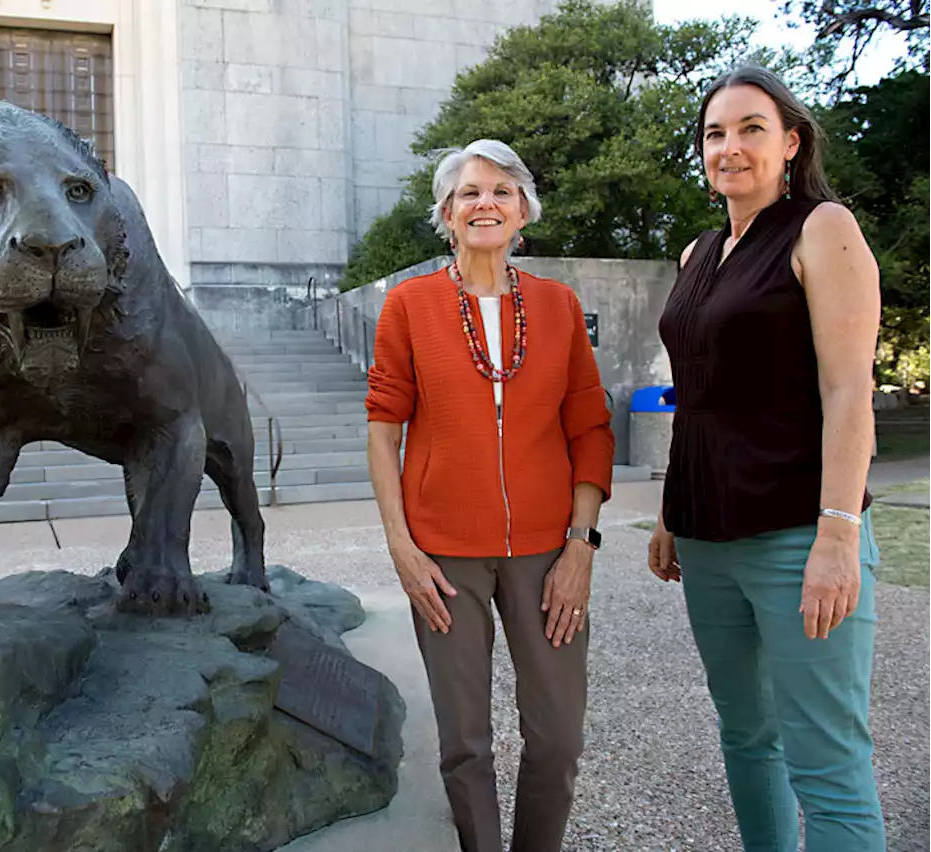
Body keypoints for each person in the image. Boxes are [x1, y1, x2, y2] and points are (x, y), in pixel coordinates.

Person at [649, 64, 886, 851]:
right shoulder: (697, 253)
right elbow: (697, 396)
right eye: (716, 133)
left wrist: (839, 534)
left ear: (790, 142)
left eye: (752, 129)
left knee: (827, 761)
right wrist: (665, 516)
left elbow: (851, 391)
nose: (731, 147)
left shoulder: (823, 228)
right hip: (706, 540)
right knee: (747, 739)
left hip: (797, 534)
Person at [365, 138, 615, 852]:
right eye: (470, 193)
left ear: (523, 213)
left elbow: (591, 431)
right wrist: (401, 546)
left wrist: (581, 546)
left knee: (559, 738)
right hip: (445, 557)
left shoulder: (558, 307)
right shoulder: (409, 307)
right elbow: (384, 431)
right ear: (447, 214)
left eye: (502, 192)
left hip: (548, 553)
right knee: (466, 744)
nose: (486, 203)